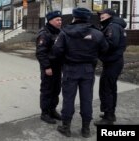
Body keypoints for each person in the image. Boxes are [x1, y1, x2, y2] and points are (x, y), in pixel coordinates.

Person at [52, 8, 108, 137]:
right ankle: (86, 129)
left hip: (70, 68)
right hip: (88, 69)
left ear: (74, 17)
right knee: (87, 99)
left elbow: (56, 51)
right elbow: (105, 49)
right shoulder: (97, 33)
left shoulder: (64, 32)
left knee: (68, 99)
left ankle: (66, 127)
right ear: (88, 18)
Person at [94, 9, 127, 125]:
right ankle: (110, 114)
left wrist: (97, 46)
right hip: (114, 61)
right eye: (100, 15)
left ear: (111, 16)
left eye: (103, 15)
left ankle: (108, 117)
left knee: (106, 89)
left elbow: (111, 44)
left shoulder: (112, 27)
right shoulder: (116, 26)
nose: (101, 16)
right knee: (111, 88)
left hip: (113, 62)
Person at [36, 10, 63, 124]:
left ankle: (52, 110)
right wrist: (47, 67)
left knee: (56, 89)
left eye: (60, 19)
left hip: (58, 67)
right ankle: (45, 113)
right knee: (47, 90)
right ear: (50, 21)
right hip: (49, 68)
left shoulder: (59, 32)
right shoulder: (44, 33)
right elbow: (41, 53)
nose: (60, 22)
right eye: (57, 20)